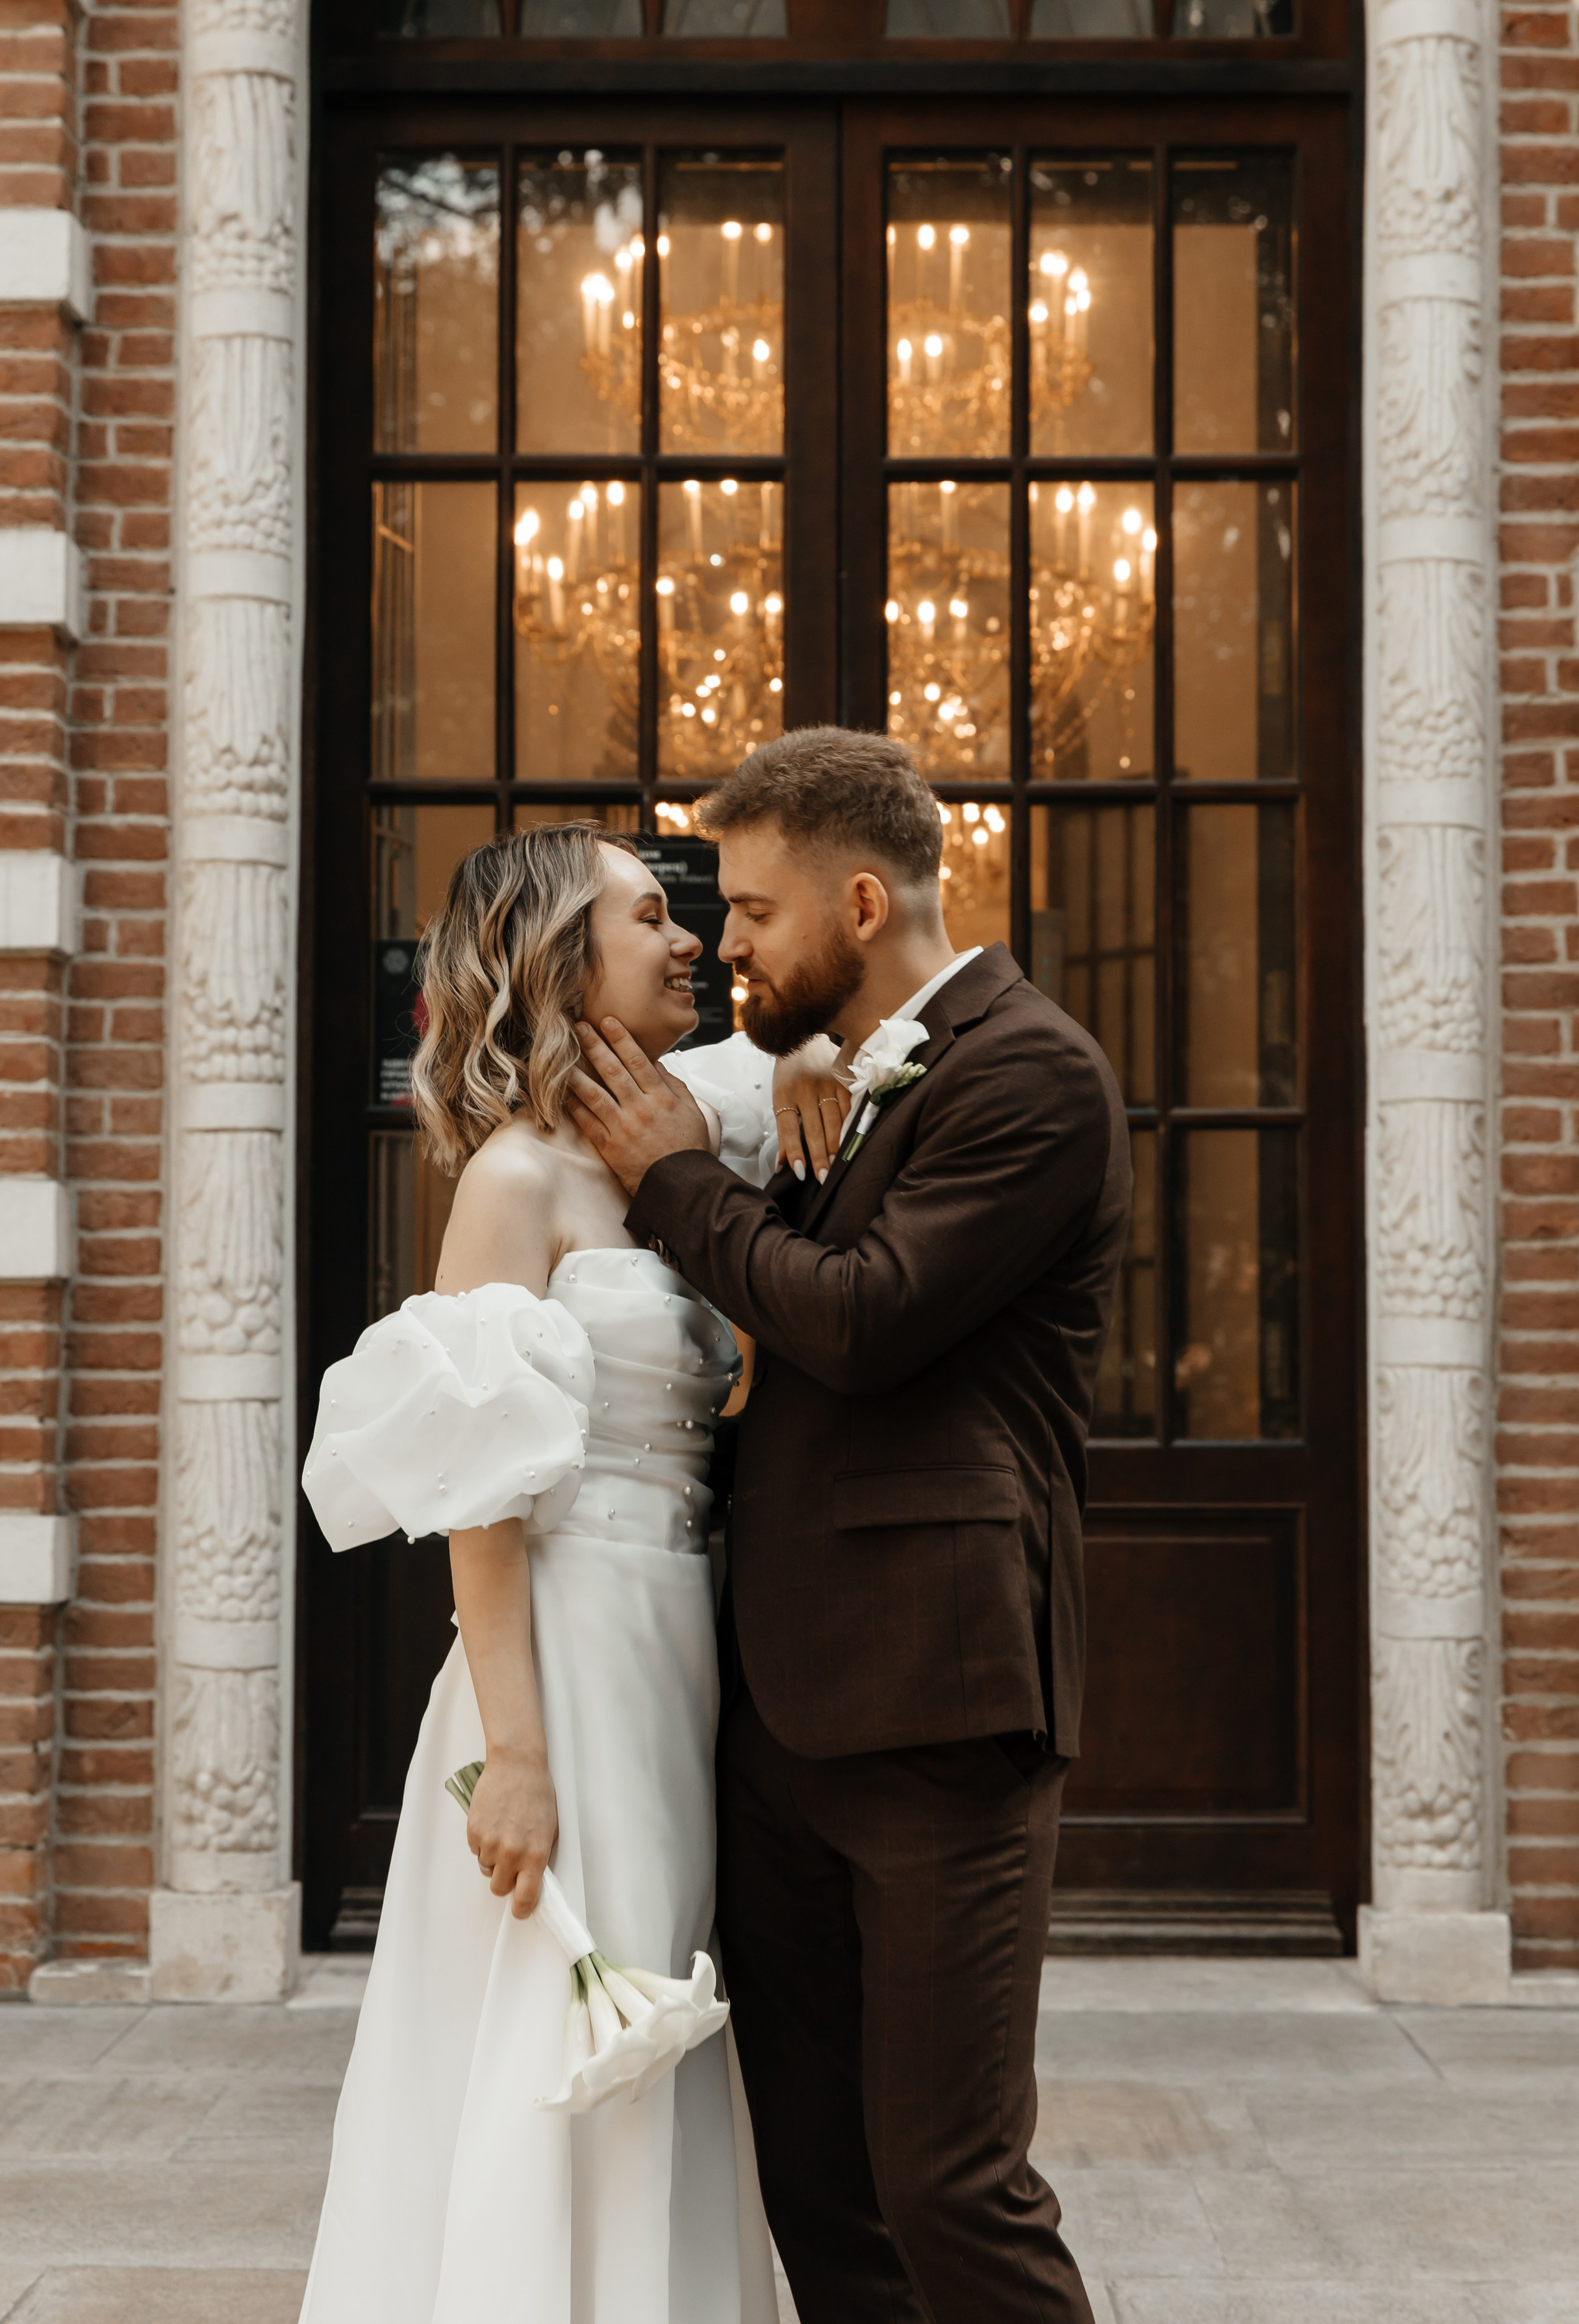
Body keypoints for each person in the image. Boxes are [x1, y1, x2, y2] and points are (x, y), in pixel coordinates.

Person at [566, 727, 1131, 2324]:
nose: (728, 941)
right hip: (778, 1711)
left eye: (752, 909)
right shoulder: (841, 1070)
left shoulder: (1031, 1075)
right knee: (818, 2182)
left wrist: (679, 1184)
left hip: (938, 1703)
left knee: (949, 2181)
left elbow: (863, 1319)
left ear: (862, 904)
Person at [296, 823, 781, 2324]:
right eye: (649, 916)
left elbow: (809, 1068)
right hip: (562, 1661)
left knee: (669, 1991)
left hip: (677, 1646)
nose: (690, 939)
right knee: (578, 2006)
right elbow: (482, 1497)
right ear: (564, 961)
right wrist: (514, 1757)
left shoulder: (680, 1144)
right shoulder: (512, 1180)